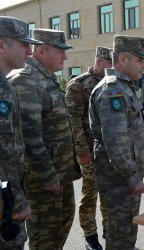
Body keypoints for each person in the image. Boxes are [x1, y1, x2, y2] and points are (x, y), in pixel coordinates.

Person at [9, 28, 82, 250]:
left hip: (60, 176)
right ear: (41, 51)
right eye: (61, 51)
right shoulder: (26, 81)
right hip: (42, 181)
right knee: (45, 239)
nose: (65, 57)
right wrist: (47, 176)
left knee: (60, 228)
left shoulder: (45, 79)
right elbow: (29, 137)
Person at [89, 35, 144, 250]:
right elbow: (116, 140)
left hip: (125, 178)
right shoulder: (112, 90)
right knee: (120, 237)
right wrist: (132, 177)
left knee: (126, 233)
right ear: (123, 59)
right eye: (140, 59)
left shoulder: (125, 87)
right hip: (120, 180)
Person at [0, 16, 42, 250]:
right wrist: (16, 202)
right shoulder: (2, 92)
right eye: (23, 43)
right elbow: (4, 152)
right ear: (2, 44)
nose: (29, 50)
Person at [65, 46, 112, 249]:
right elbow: (73, 120)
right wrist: (82, 150)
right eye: (110, 64)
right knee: (91, 193)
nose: (113, 69)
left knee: (109, 192)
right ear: (99, 62)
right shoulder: (79, 85)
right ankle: (90, 235)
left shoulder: (113, 83)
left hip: (110, 150)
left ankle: (109, 231)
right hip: (90, 150)